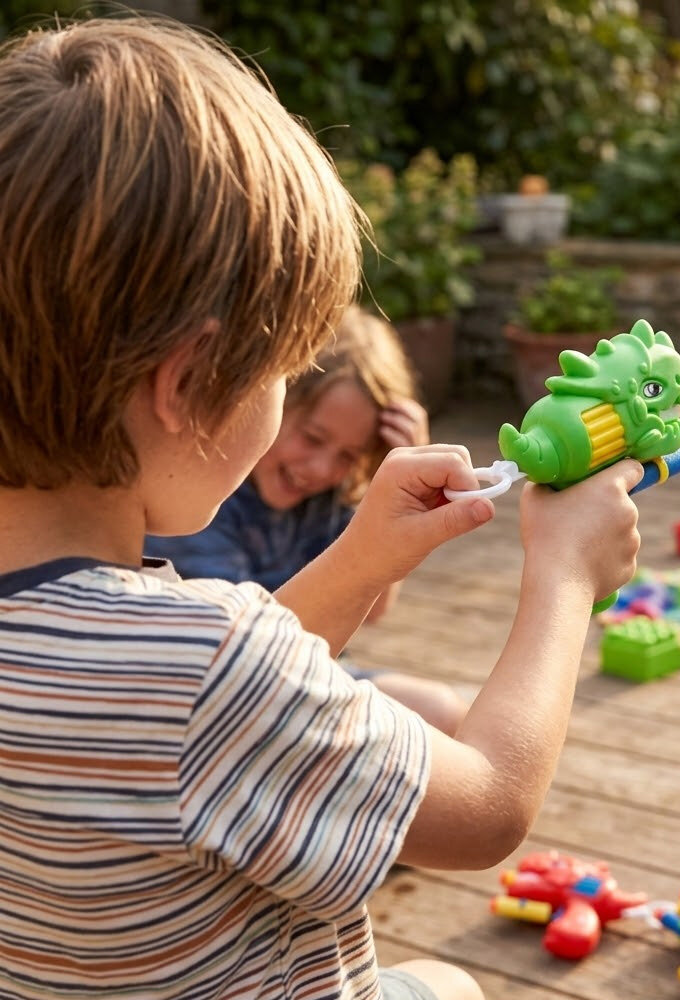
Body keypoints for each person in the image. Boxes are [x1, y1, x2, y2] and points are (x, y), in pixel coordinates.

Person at [0, 15, 643, 1000]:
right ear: (187, 384)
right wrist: (564, 574)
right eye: (284, 369)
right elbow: (487, 809)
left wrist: (363, 559)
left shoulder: (153, 653)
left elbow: (194, 710)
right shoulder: (204, 663)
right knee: (455, 987)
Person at [144, 306, 468, 735]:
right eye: (313, 438)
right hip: (231, 687)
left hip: (316, 667)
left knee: (443, 711)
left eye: (348, 456)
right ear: (274, 399)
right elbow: (247, 659)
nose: (320, 469)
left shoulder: (330, 496)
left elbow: (374, 609)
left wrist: (395, 494)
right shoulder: (203, 503)